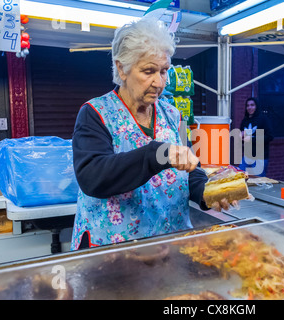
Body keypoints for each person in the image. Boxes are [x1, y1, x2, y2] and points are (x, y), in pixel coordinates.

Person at [70, 18, 234, 250]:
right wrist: (157, 154)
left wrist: (208, 192)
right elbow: (93, 176)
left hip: (169, 245)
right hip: (115, 250)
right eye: (148, 71)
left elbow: (188, 171)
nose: (159, 82)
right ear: (122, 68)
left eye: (164, 71)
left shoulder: (171, 114)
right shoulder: (96, 114)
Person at [238, 97, 274, 177]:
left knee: (257, 183)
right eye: (247, 105)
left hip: (260, 158)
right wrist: (241, 137)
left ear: (256, 106)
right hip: (247, 157)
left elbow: (270, 136)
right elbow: (242, 138)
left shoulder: (263, 119)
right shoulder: (245, 121)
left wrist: (251, 139)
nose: (249, 107)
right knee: (240, 178)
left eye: (252, 105)